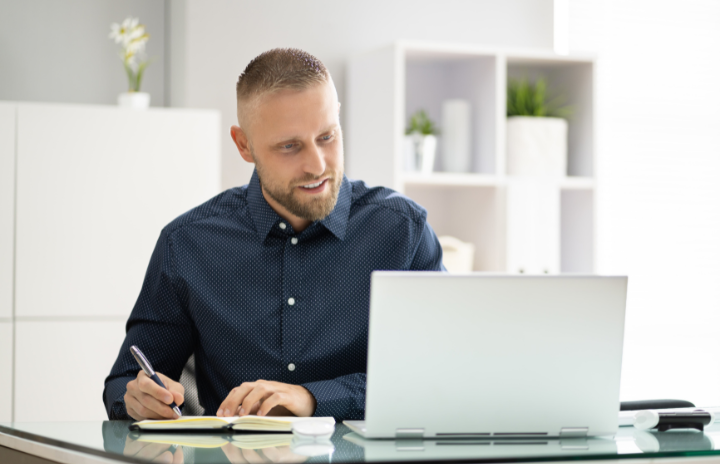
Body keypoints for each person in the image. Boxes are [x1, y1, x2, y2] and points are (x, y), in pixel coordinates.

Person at [103, 48, 444, 422]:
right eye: (289, 146)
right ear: (244, 145)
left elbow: (436, 376)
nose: (317, 165)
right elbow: (125, 381)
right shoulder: (186, 244)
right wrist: (136, 398)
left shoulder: (402, 230)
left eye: (327, 136)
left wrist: (312, 398)